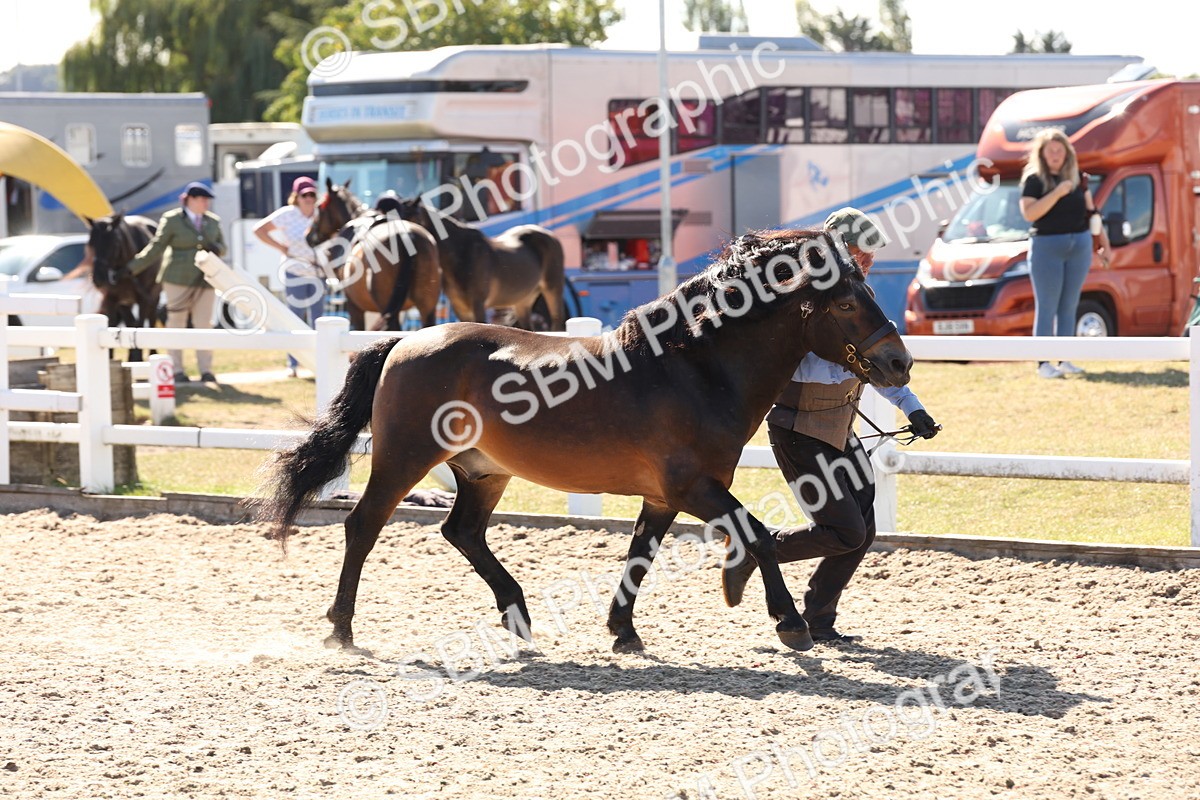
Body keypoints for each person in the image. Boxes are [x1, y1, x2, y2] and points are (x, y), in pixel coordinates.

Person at [721, 207, 940, 643]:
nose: (869, 264)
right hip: (799, 431)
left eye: (872, 257)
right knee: (844, 530)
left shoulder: (858, 298)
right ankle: (754, 550)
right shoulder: (798, 300)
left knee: (861, 533)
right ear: (837, 249)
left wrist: (912, 407)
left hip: (840, 430)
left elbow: (878, 364)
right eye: (862, 254)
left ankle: (819, 619)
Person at [1019, 128, 1111, 379]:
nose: (1056, 155)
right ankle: (1043, 363)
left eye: (1060, 150)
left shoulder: (1079, 178)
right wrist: (1057, 192)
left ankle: (1065, 359)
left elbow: (1092, 213)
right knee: (1047, 306)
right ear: (1043, 154)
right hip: (1047, 248)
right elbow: (1030, 213)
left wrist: (1104, 243)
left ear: (1068, 153)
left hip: (1079, 245)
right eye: (1051, 150)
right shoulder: (1035, 180)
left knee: (1069, 305)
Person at [127, 181, 226, 384]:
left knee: (203, 324)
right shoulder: (172, 220)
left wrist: (217, 248)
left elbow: (223, 246)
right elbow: (157, 246)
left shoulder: (213, 221)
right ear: (189, 200)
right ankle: (177, 369)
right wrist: (132, 267)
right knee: (176, 322)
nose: (206, 203)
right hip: (177, 278)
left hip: (205, 279)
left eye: (207, 199)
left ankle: (206, 370)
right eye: (202, 199)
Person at [254, 176, 322, 378]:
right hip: (294, 272)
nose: (309, 198)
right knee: (295, 317)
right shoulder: (287, 214)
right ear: (296, 197)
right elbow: (259, 230)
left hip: (318, 273)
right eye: (305, 195)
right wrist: (281, 248)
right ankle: (292, 363)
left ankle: (319, 361)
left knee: (319, 319)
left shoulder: (321, 214)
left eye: (312, 194)